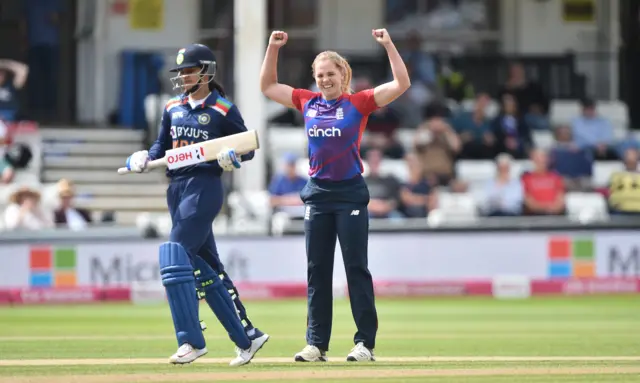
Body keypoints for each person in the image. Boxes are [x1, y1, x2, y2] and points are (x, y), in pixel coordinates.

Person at [260, 29, 410, 362]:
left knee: (356, 268)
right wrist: (272, 48)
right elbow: (268, 86)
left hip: (350, 193)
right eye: (321, 75)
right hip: (317, 194)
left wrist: (387, 45)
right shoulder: (307, 101)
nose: (326, 79)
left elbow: (401, 84)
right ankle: (316, 344)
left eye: (331, 73)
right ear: (315, 79)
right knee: (317, 270)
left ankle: (364, 344)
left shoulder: (358, 102)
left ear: (343, 75)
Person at [124, 44, 269, 366]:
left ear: (206, 72)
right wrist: (144, 155)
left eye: (189, 70)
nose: (184, 76)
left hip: (204, 187)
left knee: (173, 254)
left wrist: (234, 157)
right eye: (180, 72)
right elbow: (162, 144)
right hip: (175, 188)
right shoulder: (173, 107)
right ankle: (247, 337)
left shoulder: (223, 109)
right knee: (207, 267)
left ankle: (190, 340)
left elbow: (247, 148)